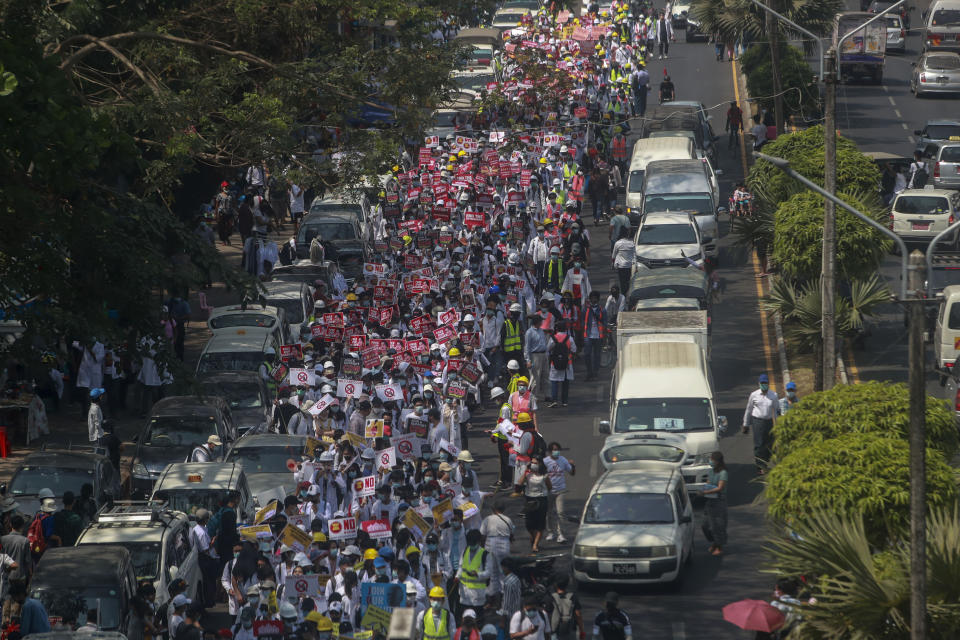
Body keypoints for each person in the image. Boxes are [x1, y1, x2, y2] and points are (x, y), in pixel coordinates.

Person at [742, 373, 778, 473]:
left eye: (765, 383)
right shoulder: (754, 395)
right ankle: (760, 466)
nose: (764, 385)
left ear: (768, 383)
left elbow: (776, 410)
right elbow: (749, 410)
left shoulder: (773, 395)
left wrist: (778, 424)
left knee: (769, 443)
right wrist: (746, 424)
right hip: (757, 421)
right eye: (762, 383)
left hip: (769, 421)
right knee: (759, 444)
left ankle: (765, 462)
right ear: (759, 383)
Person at [479, 501, 514, 592]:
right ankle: (504, 594)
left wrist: (482, 548)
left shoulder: (487, 519)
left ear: (493, 509)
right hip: (504, 544)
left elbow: (482, 535)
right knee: (503, 571)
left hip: (491, 543)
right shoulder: (508, 519)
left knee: (492, 573)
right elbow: (511, 535)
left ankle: (493, 596)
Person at [543, 443, 574, 544]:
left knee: (561, 513)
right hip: (549, 491)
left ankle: (561, 534)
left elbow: (572, 472)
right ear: (550, 451)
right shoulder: (545, 461)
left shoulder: (563, 460)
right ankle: (551, 532)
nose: (556, 451)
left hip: (561, 490)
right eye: (554, 450)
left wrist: (572, 465)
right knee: (549, 513)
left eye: (557, 449)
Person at [699, 451, 729, 556]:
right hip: (710, 501)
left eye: (712, 460)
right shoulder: (712, 471)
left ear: (717, 461)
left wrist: (706, 492)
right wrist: (703, 490)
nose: (710, 461)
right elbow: (708, 483)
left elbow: (720, 488)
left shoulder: (723, 473)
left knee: (718, 525)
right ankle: (715, 542)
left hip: (719, 502)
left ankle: (719, 546)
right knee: (705, 525)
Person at [519, 455, 551, 553]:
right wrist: (526, 471)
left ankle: (535, 544)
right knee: (529, 523)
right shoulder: (528, 474)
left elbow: (549, 487)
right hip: (529, 499)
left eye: (535, 463)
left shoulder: (544, 475)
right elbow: (520, 483)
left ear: (540, 464)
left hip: (541, 500)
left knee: (540, 524)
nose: (533, 465)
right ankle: (533, 537)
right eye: (532, 463)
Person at [547, 325, 576, 408]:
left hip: (555, 363)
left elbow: (548, 349)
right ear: (565, 329)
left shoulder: (553, 338)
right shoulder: (569, 338)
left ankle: (554, 400)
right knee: (565, 382)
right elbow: (574, 349)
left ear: (556, 329)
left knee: (554, 381)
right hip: (567, 363)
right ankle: (564, 401)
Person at [547, 576, 583, 640]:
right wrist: (581, 630)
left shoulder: (551, 597)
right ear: (567, 584)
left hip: (554, 631)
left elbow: (546, 615)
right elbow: (578, 615)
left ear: (556, 584)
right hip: (569, 629)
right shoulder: (572, 597)